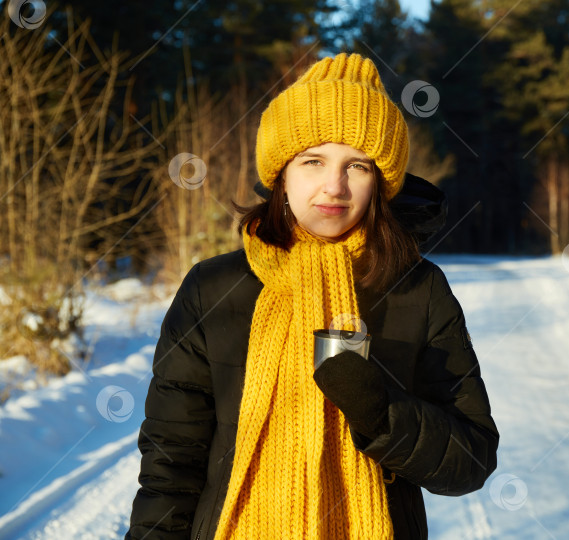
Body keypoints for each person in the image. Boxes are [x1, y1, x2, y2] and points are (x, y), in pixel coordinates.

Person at [126, 52, 499, 540]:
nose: (334, 186)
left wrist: (381, 413)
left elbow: (470, 459)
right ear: (281, 173)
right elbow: (170, 463)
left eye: (358, 165)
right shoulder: (213, 289)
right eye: (314, 161)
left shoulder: (418, 288)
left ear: (381, 184)